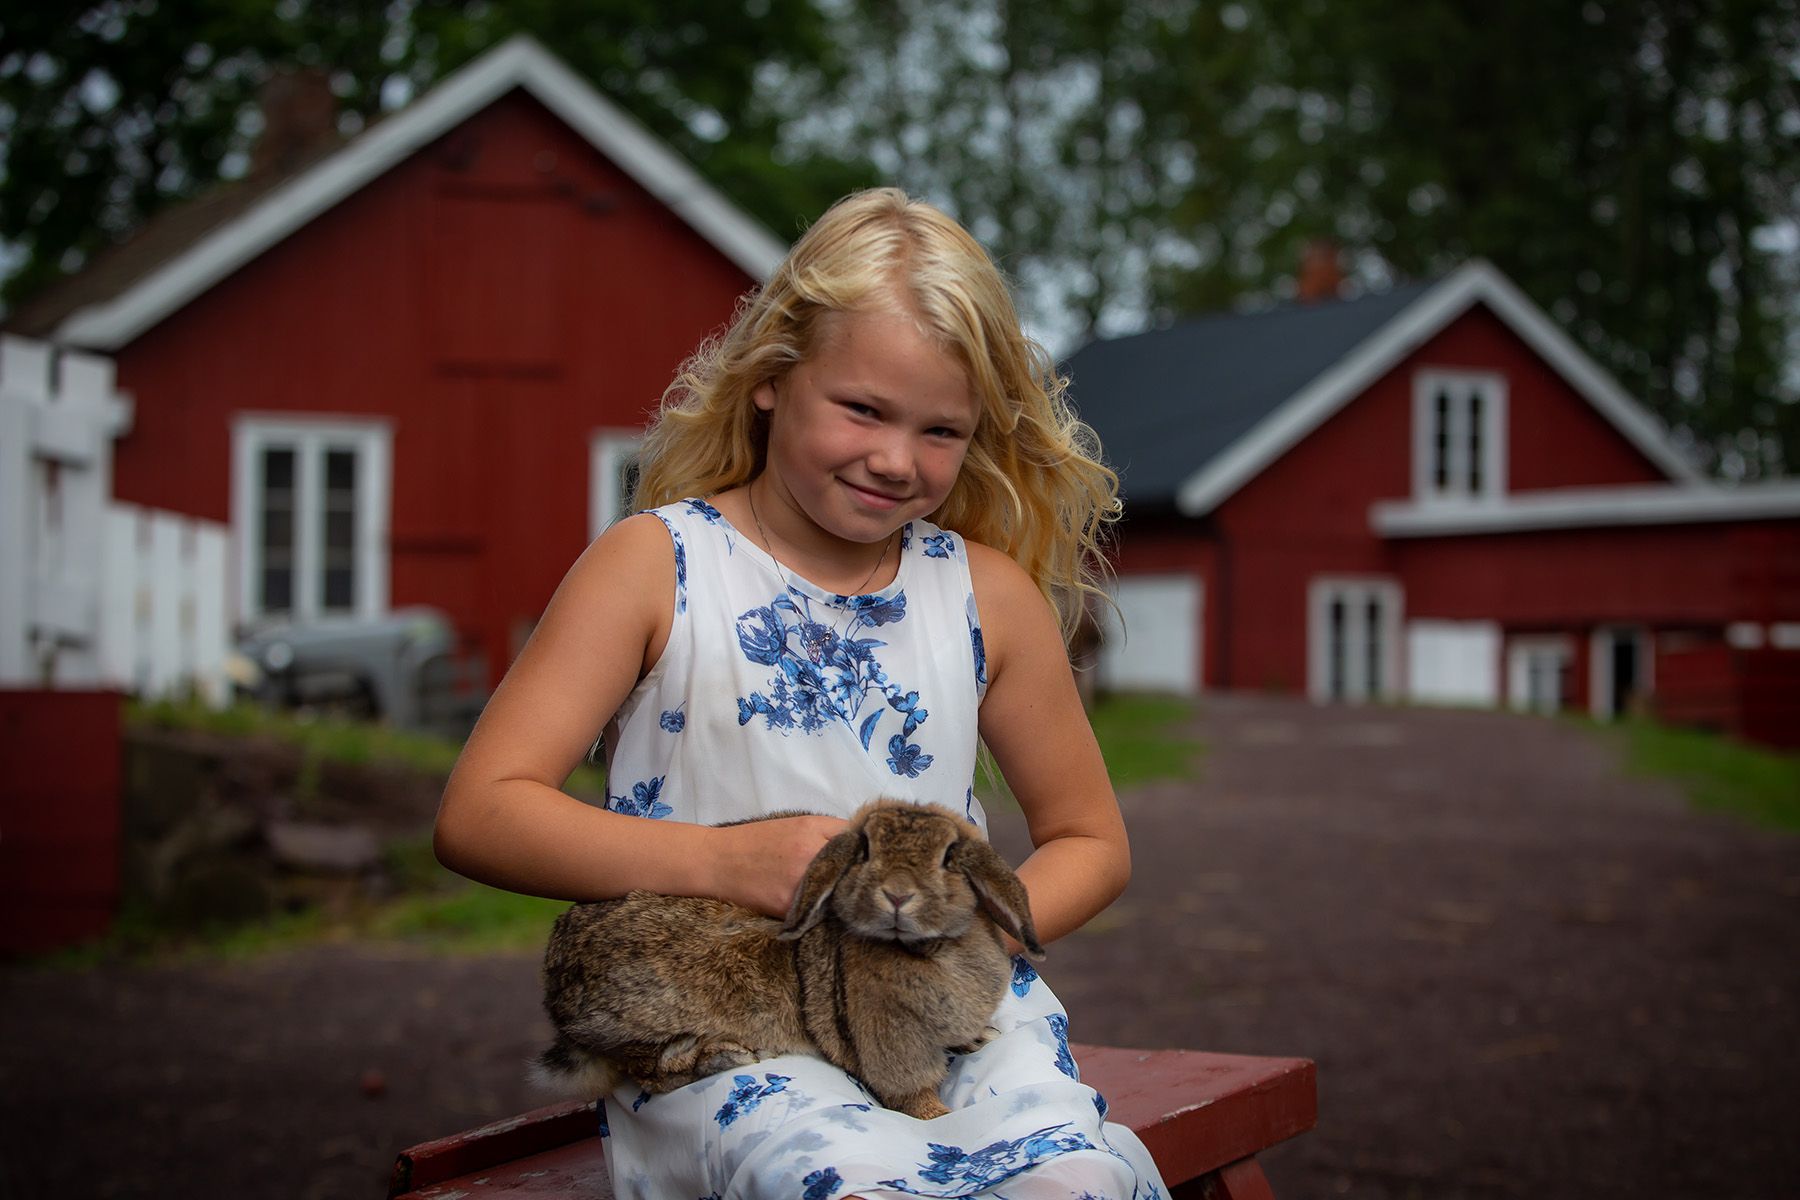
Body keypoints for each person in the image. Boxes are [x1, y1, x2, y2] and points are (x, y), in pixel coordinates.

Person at [434, 187, 1167, 1199]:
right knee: (839, 1181)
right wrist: (722, 861)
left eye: (940, 432)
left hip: (942, 1028)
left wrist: (959, 938)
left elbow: (1093, 840)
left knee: (1069, 1182)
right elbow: (481, 813)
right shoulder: (658, 567)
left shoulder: (983, 595)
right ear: (774, 375)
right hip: (738, 1037)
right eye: (863, 409)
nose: (895, 460)